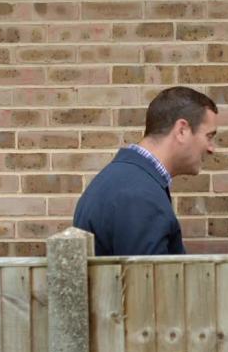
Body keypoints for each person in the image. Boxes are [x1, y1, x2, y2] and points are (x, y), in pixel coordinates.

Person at [73, 86, 218, 256]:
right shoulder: (139, 196)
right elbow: (147, 273)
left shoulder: (125, 179)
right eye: (209, 136)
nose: (211, 148)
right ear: (182, 130)